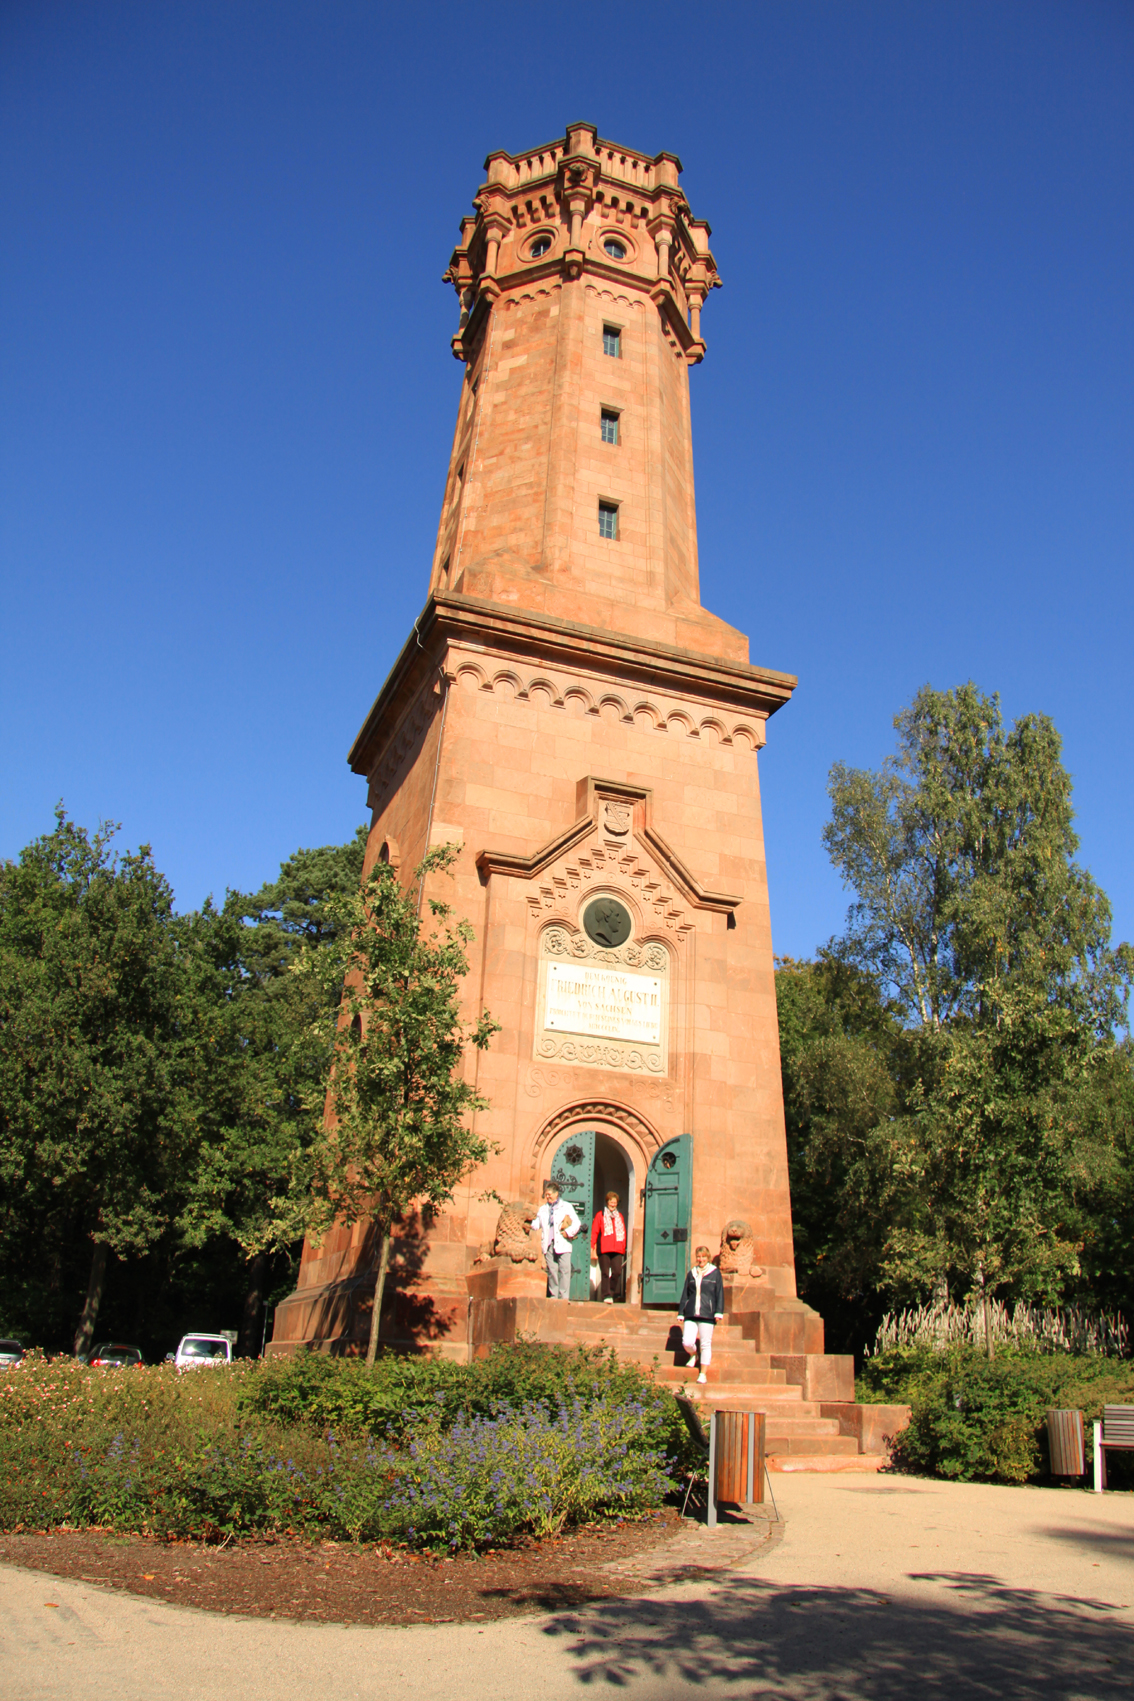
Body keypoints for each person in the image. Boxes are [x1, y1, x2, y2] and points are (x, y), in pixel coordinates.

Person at [677, 1245, 724, 1383]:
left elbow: (719, 1293)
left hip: (707, 1314)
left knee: (705, 1344)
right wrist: (681, 1312)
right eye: (698, 1256)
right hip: (691, 1313)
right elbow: (685, 1294)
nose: (701, 1259)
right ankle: (693, 1354)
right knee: (687, 1341)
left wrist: (718, 1312)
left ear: (708, 1258)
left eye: (703, 1256)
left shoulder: (715, 1273)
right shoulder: (692, 1273)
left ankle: (703, 1373)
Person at [532, 1182, 581, 1301]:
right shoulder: (543, 1209)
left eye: (549, 1194)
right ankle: (554, 1295)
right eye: (546, 1194)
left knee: (564, 1269)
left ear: (556, 1193)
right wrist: (530, 1223)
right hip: (549, 1244)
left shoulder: (566, 1206)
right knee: (552, 1271)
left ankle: (564, 1297)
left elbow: (577, 1223)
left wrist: (568, 1232)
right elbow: (537, 1223)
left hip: (563, 1242)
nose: (547, 1196)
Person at [590, 1191, 627, 1303]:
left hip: (617, 1249)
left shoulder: (619, 1216)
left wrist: (623, 1247)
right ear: (607, 1202)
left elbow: (623, 1232)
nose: (613, 1204)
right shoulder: (600, 1215)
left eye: (615, 1202)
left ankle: (610, 1291)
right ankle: (606, 1295)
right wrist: (592, 1246)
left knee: (617, 1272)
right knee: (605, 1272)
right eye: (611, 1201)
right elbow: (595, 1231)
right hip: (604, 1249)